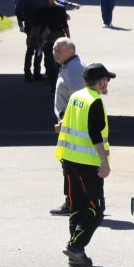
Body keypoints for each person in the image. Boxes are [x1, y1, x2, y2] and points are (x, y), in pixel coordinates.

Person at [55, 62, 114, 267]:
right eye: (107, 80)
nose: (107, 84)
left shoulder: (76, 96)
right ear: (100, 82)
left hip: (68, 159)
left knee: (77, 206)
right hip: (87, 164)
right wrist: (104, 163)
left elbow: (65, 122)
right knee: (96, 209)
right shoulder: (94, 101)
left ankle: (76, 253)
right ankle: (75, 246)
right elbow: (94, 133)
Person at [49, 38, 85, 215]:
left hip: (72, 126)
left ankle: (72, 202)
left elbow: (79, 99)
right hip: (68, 124)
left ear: (70, 51)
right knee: (70, 165)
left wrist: (68, 120)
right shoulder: (68, 66)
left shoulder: (74, 69)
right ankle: (78, 200)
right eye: (54, 50)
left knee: (71, 166)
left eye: (59, 50)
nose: (54, 53)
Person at [35, 0, 74, 82]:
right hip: (46, 38)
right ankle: (52, 78)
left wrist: (68, 38)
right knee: (48, 60)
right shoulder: (41, 9)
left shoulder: (60, 8)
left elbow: (65, 24)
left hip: (59, 37)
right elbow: (38, 25)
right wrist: (37, 37)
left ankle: (58, 80)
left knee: (59, 60)